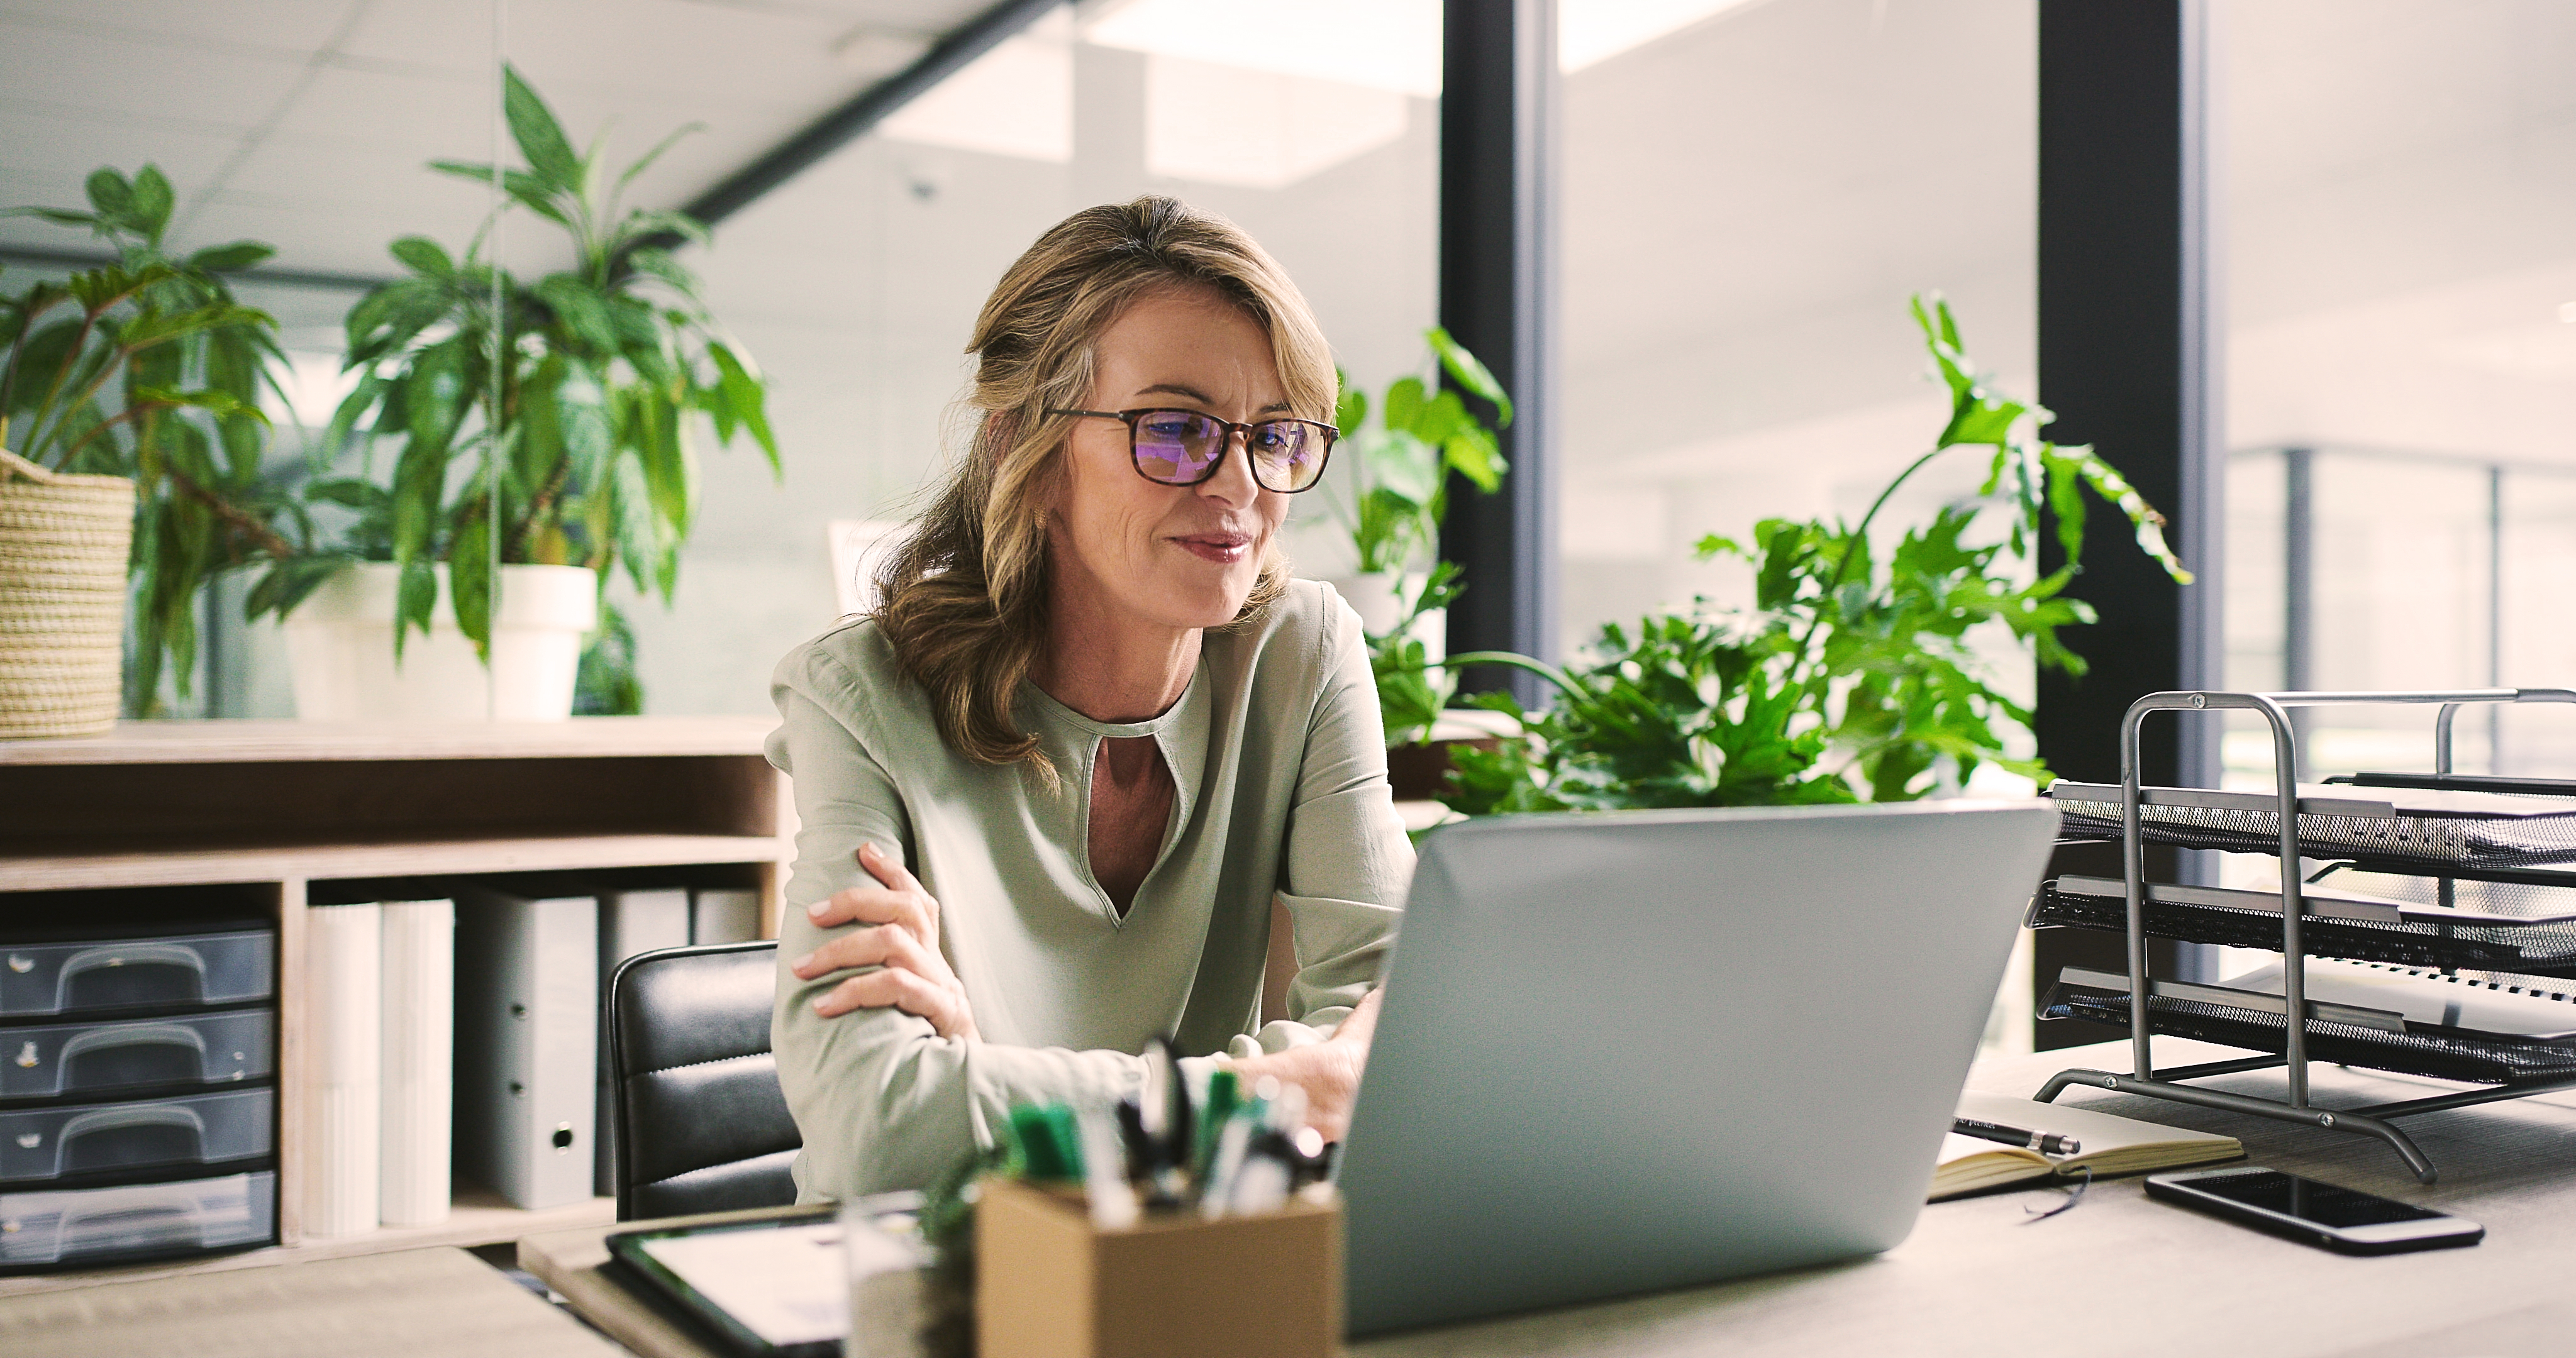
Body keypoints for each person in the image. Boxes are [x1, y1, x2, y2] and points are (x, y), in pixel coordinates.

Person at [766, 197, 1412, 1201]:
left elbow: (1402, 1054)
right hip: (931, 1295)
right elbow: (876, 1129)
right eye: (1176, 429)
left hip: (1196, 1281)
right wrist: (1280, 1090)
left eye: (1275, 435)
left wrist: (989, 1089)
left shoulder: (1303, 655)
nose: (1239, 483)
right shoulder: (859, 699)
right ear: (1025, 449)